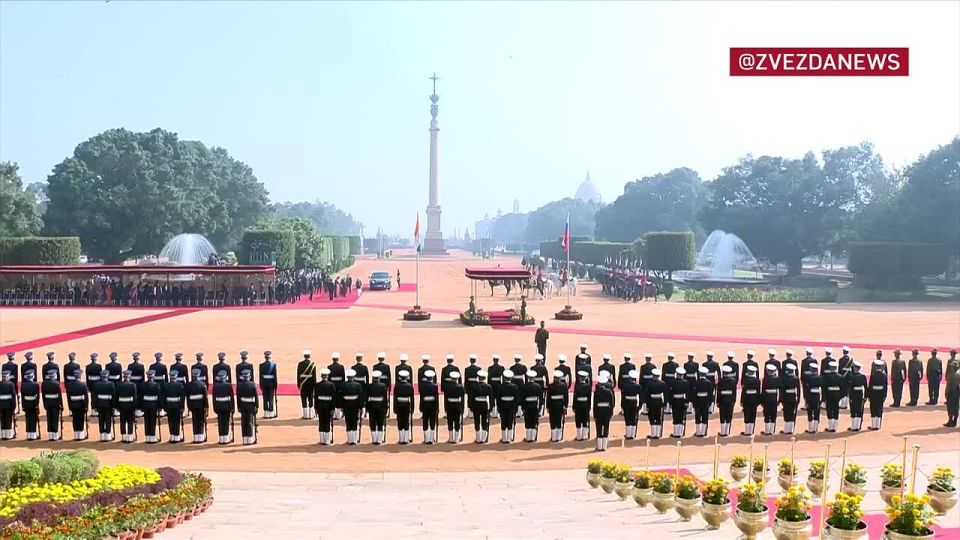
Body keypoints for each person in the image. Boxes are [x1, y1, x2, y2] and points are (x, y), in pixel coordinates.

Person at [341, 368, 365, 445]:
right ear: (354, 376)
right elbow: (360, 397)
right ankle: (354, 439)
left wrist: (341, 407)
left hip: (346, 405)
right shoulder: (357, 385)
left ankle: (349, 439)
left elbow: (341, 397)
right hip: (355, 406)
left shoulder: (343, 385)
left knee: (348, 421)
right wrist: (361, 407)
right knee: (354, 421)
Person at [593, 372, 615, 451]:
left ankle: (599, 446)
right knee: (606, 428)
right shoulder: (609, 391)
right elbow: (611, 403)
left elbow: (595, 404)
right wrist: (611, 412)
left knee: (599, 428)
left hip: (599, 412)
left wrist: (594, 414)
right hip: (606, 412)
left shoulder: (596, 392)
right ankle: (604, 446)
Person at [91, 371, 116, 442]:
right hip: (108, 405)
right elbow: (113, 397)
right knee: (108, 419)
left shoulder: (96, 384)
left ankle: (102, 434)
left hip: (99, 405)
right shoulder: (111, 384)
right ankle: (108, 435)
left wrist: (94, 406)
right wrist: (113, 406)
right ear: (107, 376)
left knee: (101, 420)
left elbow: (94, 397)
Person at [65, 368, 89, 440]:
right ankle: (81, 435)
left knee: (75, 419)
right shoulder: (83, 385)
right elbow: (86, 398)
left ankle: (76, 435)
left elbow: (68, 398)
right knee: (81, 419)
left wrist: (70, 407)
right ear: (80, 376)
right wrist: (86, 407)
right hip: (81, 405)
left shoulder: (69, 385)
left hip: (73, 405)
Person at [186, 368, 209, 443]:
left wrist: (189, 406)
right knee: (201, 421)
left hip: (193, 405)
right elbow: (205, 397)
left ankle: (196, 437)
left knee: (195, 421)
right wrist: (206, 406)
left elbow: (188, 397)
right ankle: (201, 437)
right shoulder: (202, 384)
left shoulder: (189, 385)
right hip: (201, 405)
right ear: (198, 375)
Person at [314, 369, 336, 445]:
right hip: (328, 406)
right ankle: (326, 440)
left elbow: (316, 398)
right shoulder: (331, 385)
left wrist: (315, 408)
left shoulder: (317, 385)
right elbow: (333, 398)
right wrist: (333, 408)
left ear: (321, 376)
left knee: (321, 422)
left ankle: (322, 439)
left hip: (320, 405)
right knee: (327, 422)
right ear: (327, 376)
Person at [367, 369, 389, 445]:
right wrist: (386, 407)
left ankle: (374, 439)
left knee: (372, 422)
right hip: (381, 406)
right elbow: (385, 398)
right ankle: (379, 439)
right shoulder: (383, 386)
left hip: (372, 406)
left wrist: (367, 408)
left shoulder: (369, 386)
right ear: (379, 378)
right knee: (380, 422)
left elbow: (367, 398)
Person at [212, 371, 235, 444]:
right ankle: (226, 438)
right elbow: (232, 398)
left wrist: (215, 407)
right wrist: (232, 407)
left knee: (220, 422)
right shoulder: (229, 385)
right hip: (227, 406)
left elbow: (214, 398)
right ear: (225, 377)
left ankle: (221, 437)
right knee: (226, 422)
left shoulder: (215, 386)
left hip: (218, 406)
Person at [237, 371, 259, 445]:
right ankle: (249, 439)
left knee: (244, 422)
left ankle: (245, 439)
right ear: (249, 376)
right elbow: (256, 397)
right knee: (249, 422)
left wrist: (239, 407)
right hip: (250, 405)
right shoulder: (252, 384)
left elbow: (238, 398)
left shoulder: (239, 385)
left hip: (243, 405)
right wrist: (257, 406)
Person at [115, 370, 138, 443]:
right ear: (130, 377)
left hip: (121, 405)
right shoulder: (133, 385)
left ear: (123, 377)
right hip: (130, 406)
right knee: (130, 421)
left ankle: (123, 437)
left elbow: (117, 397)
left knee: (122, 421)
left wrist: (117, 407)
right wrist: (134, 408)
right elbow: (134, 398)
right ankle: (130, 437)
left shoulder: (119, 385)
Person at [393, 369, 414, 444]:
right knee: (406, 421)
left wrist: (394, 408)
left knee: (400, 421)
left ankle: (401, 439)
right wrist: (412, 408)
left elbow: (395, 398)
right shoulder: (410, 386)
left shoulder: (397, 386)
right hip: (407, 405)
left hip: (399, 405)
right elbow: (412, 398)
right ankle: (406, 439)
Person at [520, 372, 542, 443]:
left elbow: (522, 398)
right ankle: (533, 437)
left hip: (527, 406)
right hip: (535, 406)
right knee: (534, 421)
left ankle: (528, 437)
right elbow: (540, 398)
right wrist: (540, 408)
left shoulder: (524, 386)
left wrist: (522, 408)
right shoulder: (538, 386)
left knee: (527, 421)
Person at [497, 369, 518, 443]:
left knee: (503, 421)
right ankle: (509, 438)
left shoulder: (500, 386)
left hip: (503, 405)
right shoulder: (514, 386)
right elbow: (516, 399)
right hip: (511, 406)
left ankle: (504, 438)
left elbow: (498, 399)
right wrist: (516, 409)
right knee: (510, 421)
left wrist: (498, 408)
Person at [164, 374, 187, 443]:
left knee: (170, 421)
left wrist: (165, 407)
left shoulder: (166, 385)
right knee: (177, 421)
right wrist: (182, 407)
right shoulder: (180, 385)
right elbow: (182, 398)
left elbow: (164, 397)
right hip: (177, 405)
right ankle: (177, 436)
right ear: (176, 377)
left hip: (169, 405)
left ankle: (172, 436)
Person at [419, 369, 440, 444]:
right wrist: (437, 408)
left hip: (425, 406)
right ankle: (431, 439)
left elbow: (421, 398)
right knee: (432, 422)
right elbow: (436, 399)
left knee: (425, 422)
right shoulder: (435, 386)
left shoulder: (422, 386)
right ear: (432, 378)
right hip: (433, 406)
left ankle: (426, 439)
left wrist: (420, 407)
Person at [444, 371, 465, 443]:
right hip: (457, 405)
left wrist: (445, 408)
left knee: (450, 421)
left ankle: (450, 438)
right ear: (457, 379)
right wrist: (462, 408)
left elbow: (445, 398)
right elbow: (462, 399)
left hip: (449, 405)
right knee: (457, 421)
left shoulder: (447, 387)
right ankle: (456, 439)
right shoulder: (460, 387)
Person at [471, 370, 492, 443]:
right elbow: (491, 398)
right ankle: (483, 438)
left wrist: (471, 406)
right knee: (484, 421)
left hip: (476, 404)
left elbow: (471, 397)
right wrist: (491, 407)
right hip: (484, 405)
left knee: (477, 421)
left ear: (478, 377)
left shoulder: (474, 385)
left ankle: (478, 438)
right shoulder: (488, 386)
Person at [141, 370, 162, 443]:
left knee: (146, 421)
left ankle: (147, 437)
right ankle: (152, 437)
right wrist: (160, 406)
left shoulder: (143, 384)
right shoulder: (156, 385)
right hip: (154, 405)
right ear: (153, 376)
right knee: (153, 421)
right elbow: (159, 396)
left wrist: (141, 407)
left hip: (145, 404)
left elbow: (141, 396)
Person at [868, 357, 888, 430]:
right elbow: (885, 386)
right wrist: (885, 395)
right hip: (881, 393)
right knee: (879, 408)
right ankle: (878, 425)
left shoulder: (873, 375)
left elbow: (870, 386)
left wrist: (869, 395)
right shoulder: (884, 375)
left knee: (873, 408)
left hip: (873, 393)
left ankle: (874, 425)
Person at [693, 367, 714, 438]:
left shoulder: (696, 382)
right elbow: (711, 394)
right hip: (706, 401)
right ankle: (703, 432)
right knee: (705, 416)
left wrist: (694, 403)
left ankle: (698, 432)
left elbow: (694, 393)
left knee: (698, 416)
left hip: (698, 401)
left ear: (699, 374)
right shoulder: (709, 382)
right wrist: (710, 402)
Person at [779, 364, 800, 435]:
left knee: (786, 413)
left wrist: (781, 399)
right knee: (792, 413)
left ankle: (786, 430)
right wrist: (798, 399)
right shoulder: (796, 378)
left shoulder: (784, 378)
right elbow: (798, 390)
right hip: (793, 397)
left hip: (786, 397)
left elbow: (782, 389)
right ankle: (791, 429)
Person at [717, 365, 737, 437]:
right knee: (729, 416)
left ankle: (722, 432)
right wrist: (734, 401)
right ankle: (727, 432)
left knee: (722, 416)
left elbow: (719, 392)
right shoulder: (733, 381)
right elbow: (734, 392)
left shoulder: (721, 381)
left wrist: (718, 402)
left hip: (722, 400)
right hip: (730, 401)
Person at [823, 361, 843, 432]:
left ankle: (831, 427)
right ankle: (835, 427)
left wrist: (824, 398)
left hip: (829, 395)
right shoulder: (840, 376)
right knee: (836, 410)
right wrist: (840, 396)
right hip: (837, 395)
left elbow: (824, 388)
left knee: (829, 410)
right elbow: (843, 388)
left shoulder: (827, 377)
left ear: (830, 368)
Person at [740, 365, 760, 436]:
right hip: (754, 400)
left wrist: (741, 401)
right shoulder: (757, 381)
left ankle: (747, 431)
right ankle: (751, 431)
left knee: (747, 415)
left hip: (746, 400)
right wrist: (758, 401)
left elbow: (743, 392)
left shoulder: (746, 380)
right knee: (753, 415)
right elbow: (758, 392)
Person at [803, 359, 823, 434]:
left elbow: (807, 389)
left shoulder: (808, 378)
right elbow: (821, 387)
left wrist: (806, 399)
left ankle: (811, 428)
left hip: (810, 396)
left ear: (811, 369)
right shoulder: (820, 377)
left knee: (810, 411)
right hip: (817, 395)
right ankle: (815, 428)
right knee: (816, 411)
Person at [847, 361, 867, 432]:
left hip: (854, 395)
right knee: (859, 410)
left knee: (853, 410)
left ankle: (853, 426)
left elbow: (850, 388)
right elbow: (866, 387)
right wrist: (865, 397)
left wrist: (850, 397)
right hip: (860, 394)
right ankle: (858, 427)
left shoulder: (851, 377)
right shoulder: (863, 376)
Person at [297, 349, 317, 419]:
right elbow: (314, 376)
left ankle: (305, 415)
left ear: (304, 356)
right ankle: (311, 414)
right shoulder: (313, 364)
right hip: (311, 384)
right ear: (309, 356)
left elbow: (298, 375)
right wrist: (315, 385)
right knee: (311, 398)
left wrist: (299, 384)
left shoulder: (300, 364)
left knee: (304, 399)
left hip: (303, 384)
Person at [670, 367, 690, 438]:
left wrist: (670, 402)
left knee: (675, 416)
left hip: (675, 401)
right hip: (682, 400)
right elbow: (688, 393)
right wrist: (687, 402)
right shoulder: (686, 382)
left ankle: (675, 433)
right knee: (681, 416)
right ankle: (680, 433)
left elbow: (670, 393)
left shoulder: (673, 382)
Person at [621, 370, 641, 440]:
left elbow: (623, 397)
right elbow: (641, 397)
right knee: (633, 418)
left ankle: (628, 434)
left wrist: (622, 405)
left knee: (627, 418)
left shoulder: (625, 386)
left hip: (627, 403)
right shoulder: (638, 386)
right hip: (634, 403)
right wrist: (640, 406)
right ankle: (632, 435)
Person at [760, 364, 780, 435]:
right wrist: (778, 400)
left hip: (766, 399)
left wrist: (761, 401)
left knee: (767, 414)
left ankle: (767, 431)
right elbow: (779, 390)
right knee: (773, 414)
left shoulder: (765, 379)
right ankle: (772, 430)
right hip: (774, 399)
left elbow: (763, 390)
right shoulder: (777, 378)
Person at [572, 370, 592, 440]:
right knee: (585, 420)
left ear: (580, 378)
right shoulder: (588, 386)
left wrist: (573, 406)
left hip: (578, 405)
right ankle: (584, 436)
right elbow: (589, 397)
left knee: (578, 420)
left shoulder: (577, 386)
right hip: (585, 405)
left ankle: (579, 436)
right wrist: (589, 405)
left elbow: (575, 397)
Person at [21, 371, 41, 440]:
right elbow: (37, 396)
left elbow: (22, 396)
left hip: (26, 403)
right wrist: (37, 405)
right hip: (33, 403)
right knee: (33, 419)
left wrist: (23, 405)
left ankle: (28, 434)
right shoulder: (36, 385)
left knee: (28, 418)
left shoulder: (23, 385)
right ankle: (33, 434)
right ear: (33, 376)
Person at [259, 351, 278, 419]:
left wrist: (261, 385)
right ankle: (271, 412)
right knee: (270, 398)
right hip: (271, 384)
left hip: (264, 383)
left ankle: (266, 413)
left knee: (265, 398)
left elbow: (260, 376)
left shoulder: (261, 365)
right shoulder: (273, 365)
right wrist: (276, 385)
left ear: (265, 357)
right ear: (270, 357)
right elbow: (275, 376)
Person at [944, 352, 960, 428]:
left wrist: (946, 393)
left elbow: (948, 385)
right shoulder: (959, 374)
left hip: (951, 392)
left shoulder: (951, 375)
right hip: (957, 392)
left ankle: (950, 420)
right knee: (956, 407)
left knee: (950, 407)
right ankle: (955, 421)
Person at [487, 354, 505, 419]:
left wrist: (488, 385)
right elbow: (503, 377)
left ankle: (493, 412)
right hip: (498, 384)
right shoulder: (501, 368)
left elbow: (489, 378)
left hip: (492, 384)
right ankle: (497, 412)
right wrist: (503, 385)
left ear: (493, 360)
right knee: (498, 399)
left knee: (492, 398)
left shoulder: (490, 368)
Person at [464, 354, 481, 418]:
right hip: (476, 385)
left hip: (470, 385)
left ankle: (470, 414)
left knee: (470, 399)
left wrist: (465, 388)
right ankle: (476, 413)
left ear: (470, 360)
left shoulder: (467, 369)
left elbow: (466, 379)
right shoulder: (478, 368)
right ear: (475, 360)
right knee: (475, 399)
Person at [0, 372, 16, 440]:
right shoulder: (11, 384)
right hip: (8, 404)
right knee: (8, 419)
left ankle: (3, 435)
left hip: (0, 404)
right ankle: (8, 435)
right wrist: (14, 406)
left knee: (2, 419)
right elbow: (13, 396)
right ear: (8, 376)